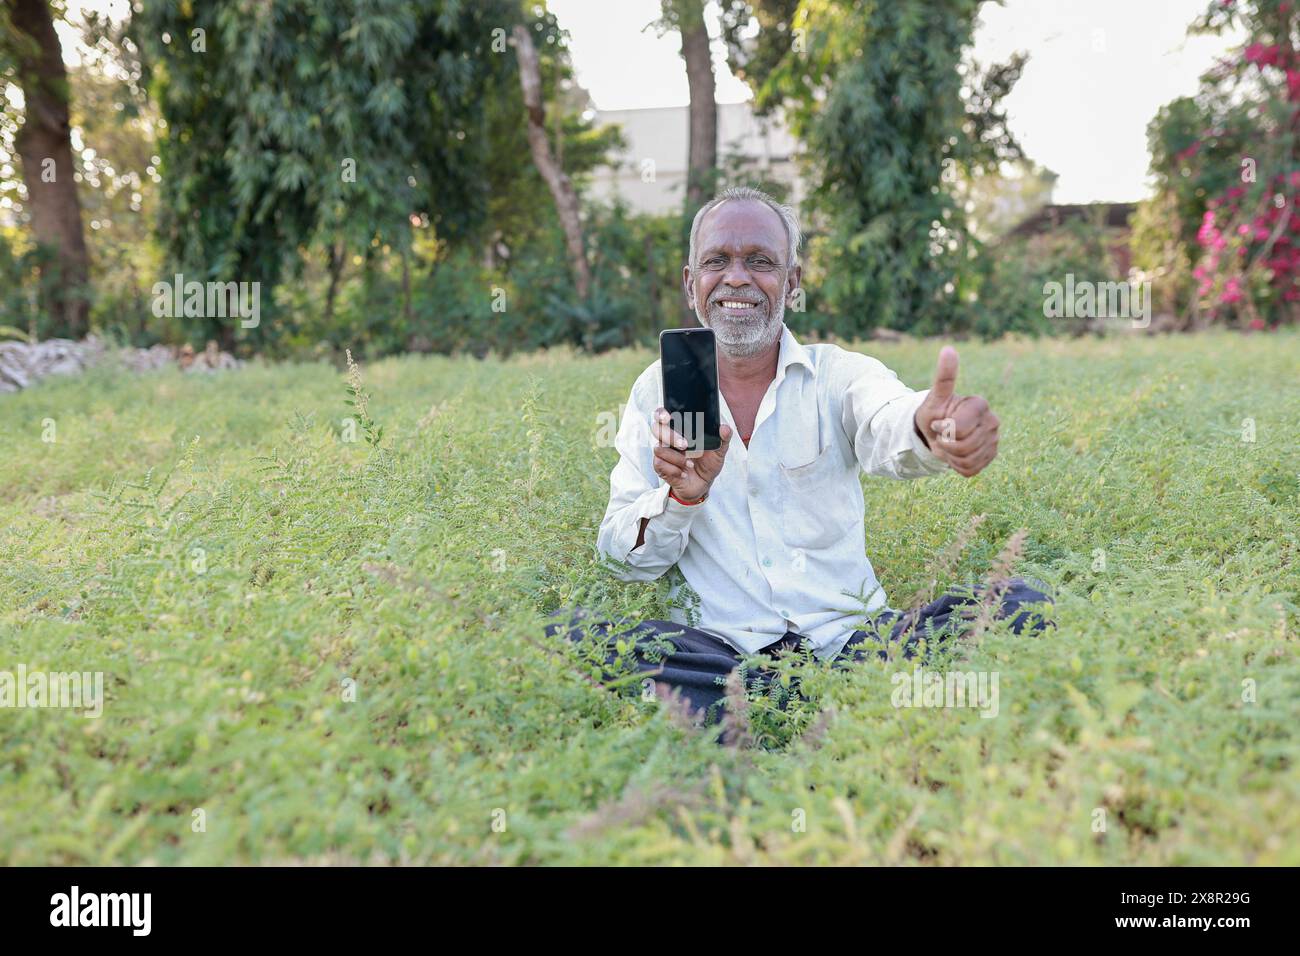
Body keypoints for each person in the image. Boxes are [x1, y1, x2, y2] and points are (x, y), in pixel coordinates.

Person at [547, 186, 1053, 725]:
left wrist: (931, 430)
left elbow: (888, 421)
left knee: (1019, 604)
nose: (737, 278)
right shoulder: (654, 393)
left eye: (760, 262)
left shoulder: (838, 374)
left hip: (853, 649)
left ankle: (766, 718)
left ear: (792, 284)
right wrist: (679, 499)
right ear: (691, 283)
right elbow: (619, 559)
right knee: (569, 636)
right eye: (716, 261)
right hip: (719, 658)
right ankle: (798, 716)